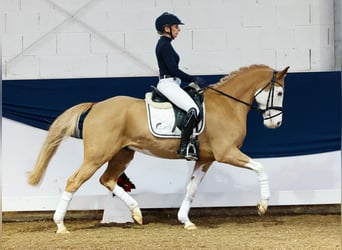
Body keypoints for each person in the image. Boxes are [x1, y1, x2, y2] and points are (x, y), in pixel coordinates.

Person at [155, 12, 204, 161]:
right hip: (168, 84)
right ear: (167, 28)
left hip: (172, 83)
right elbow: (174, 70)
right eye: (176, 27)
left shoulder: (166, 44)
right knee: (193, 109)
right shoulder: (164, 45)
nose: (178, 30)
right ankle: (183, 147)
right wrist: (192, 78)